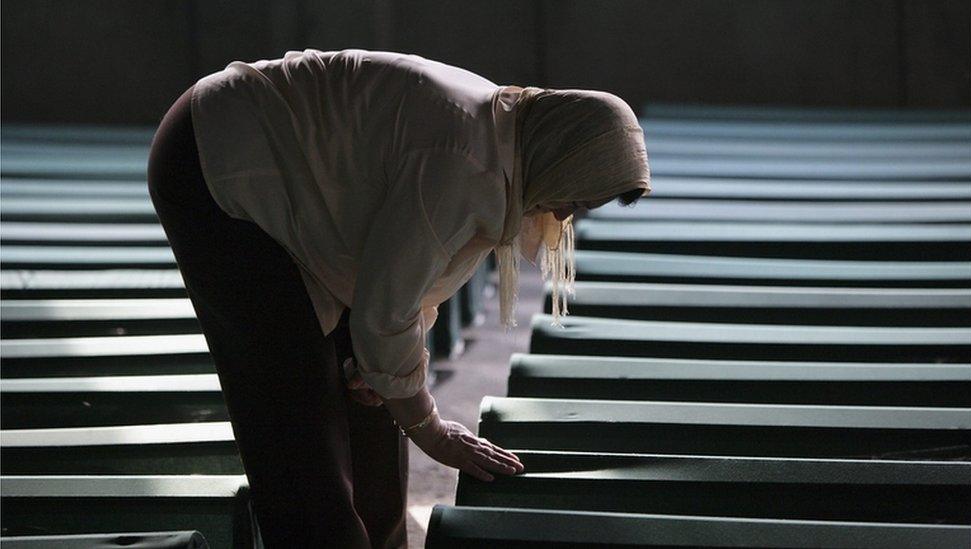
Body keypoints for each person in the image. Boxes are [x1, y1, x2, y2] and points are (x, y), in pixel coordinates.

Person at [146, 48, 650, 548]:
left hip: (295, 181)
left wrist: (384, 373)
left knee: (374, 399)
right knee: (301, 425)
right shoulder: (467, 162)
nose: (561, 216)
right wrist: (432, 430)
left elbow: (409, 278)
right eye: (573, 197)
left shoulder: (506, 140)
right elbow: (386, 310)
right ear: (561, 154)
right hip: (214, 158)